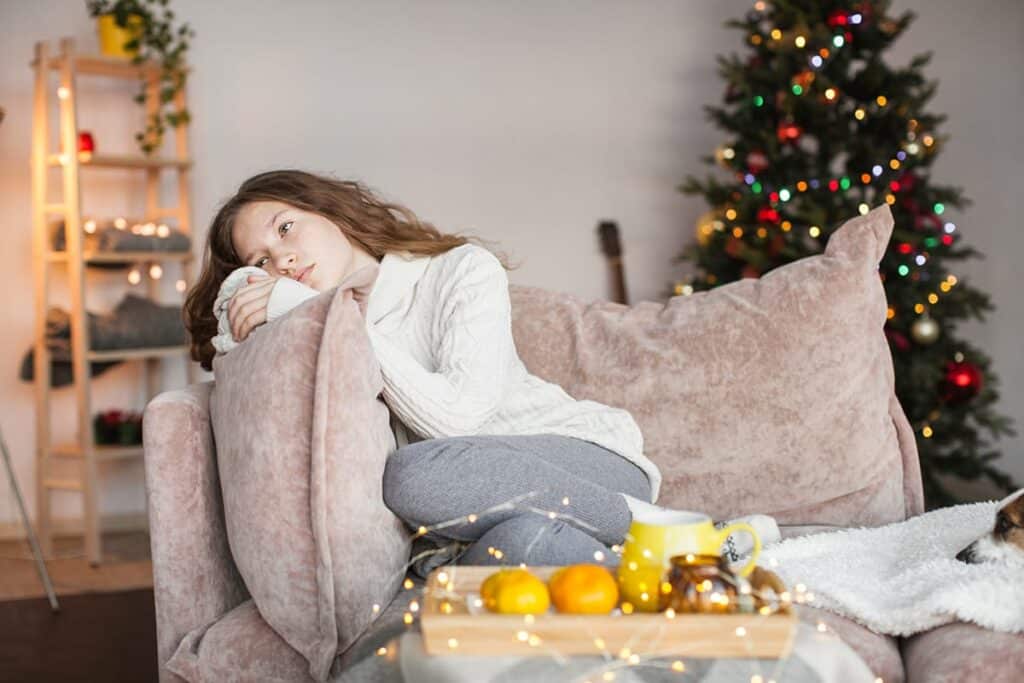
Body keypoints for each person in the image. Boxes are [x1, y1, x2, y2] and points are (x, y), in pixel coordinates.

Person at [184, 169, 672, 579]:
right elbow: (227, 335)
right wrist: (270, 294)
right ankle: (676, 578)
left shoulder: (460, 270)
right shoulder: (310, 326)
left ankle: (665, 530)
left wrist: (326, 313)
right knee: (524, 547)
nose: (282, 260)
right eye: (262, 261)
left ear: (331, 212)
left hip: (586, 462)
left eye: (286, 228)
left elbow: (457, 423)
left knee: (413, 476)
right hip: (480, 516)